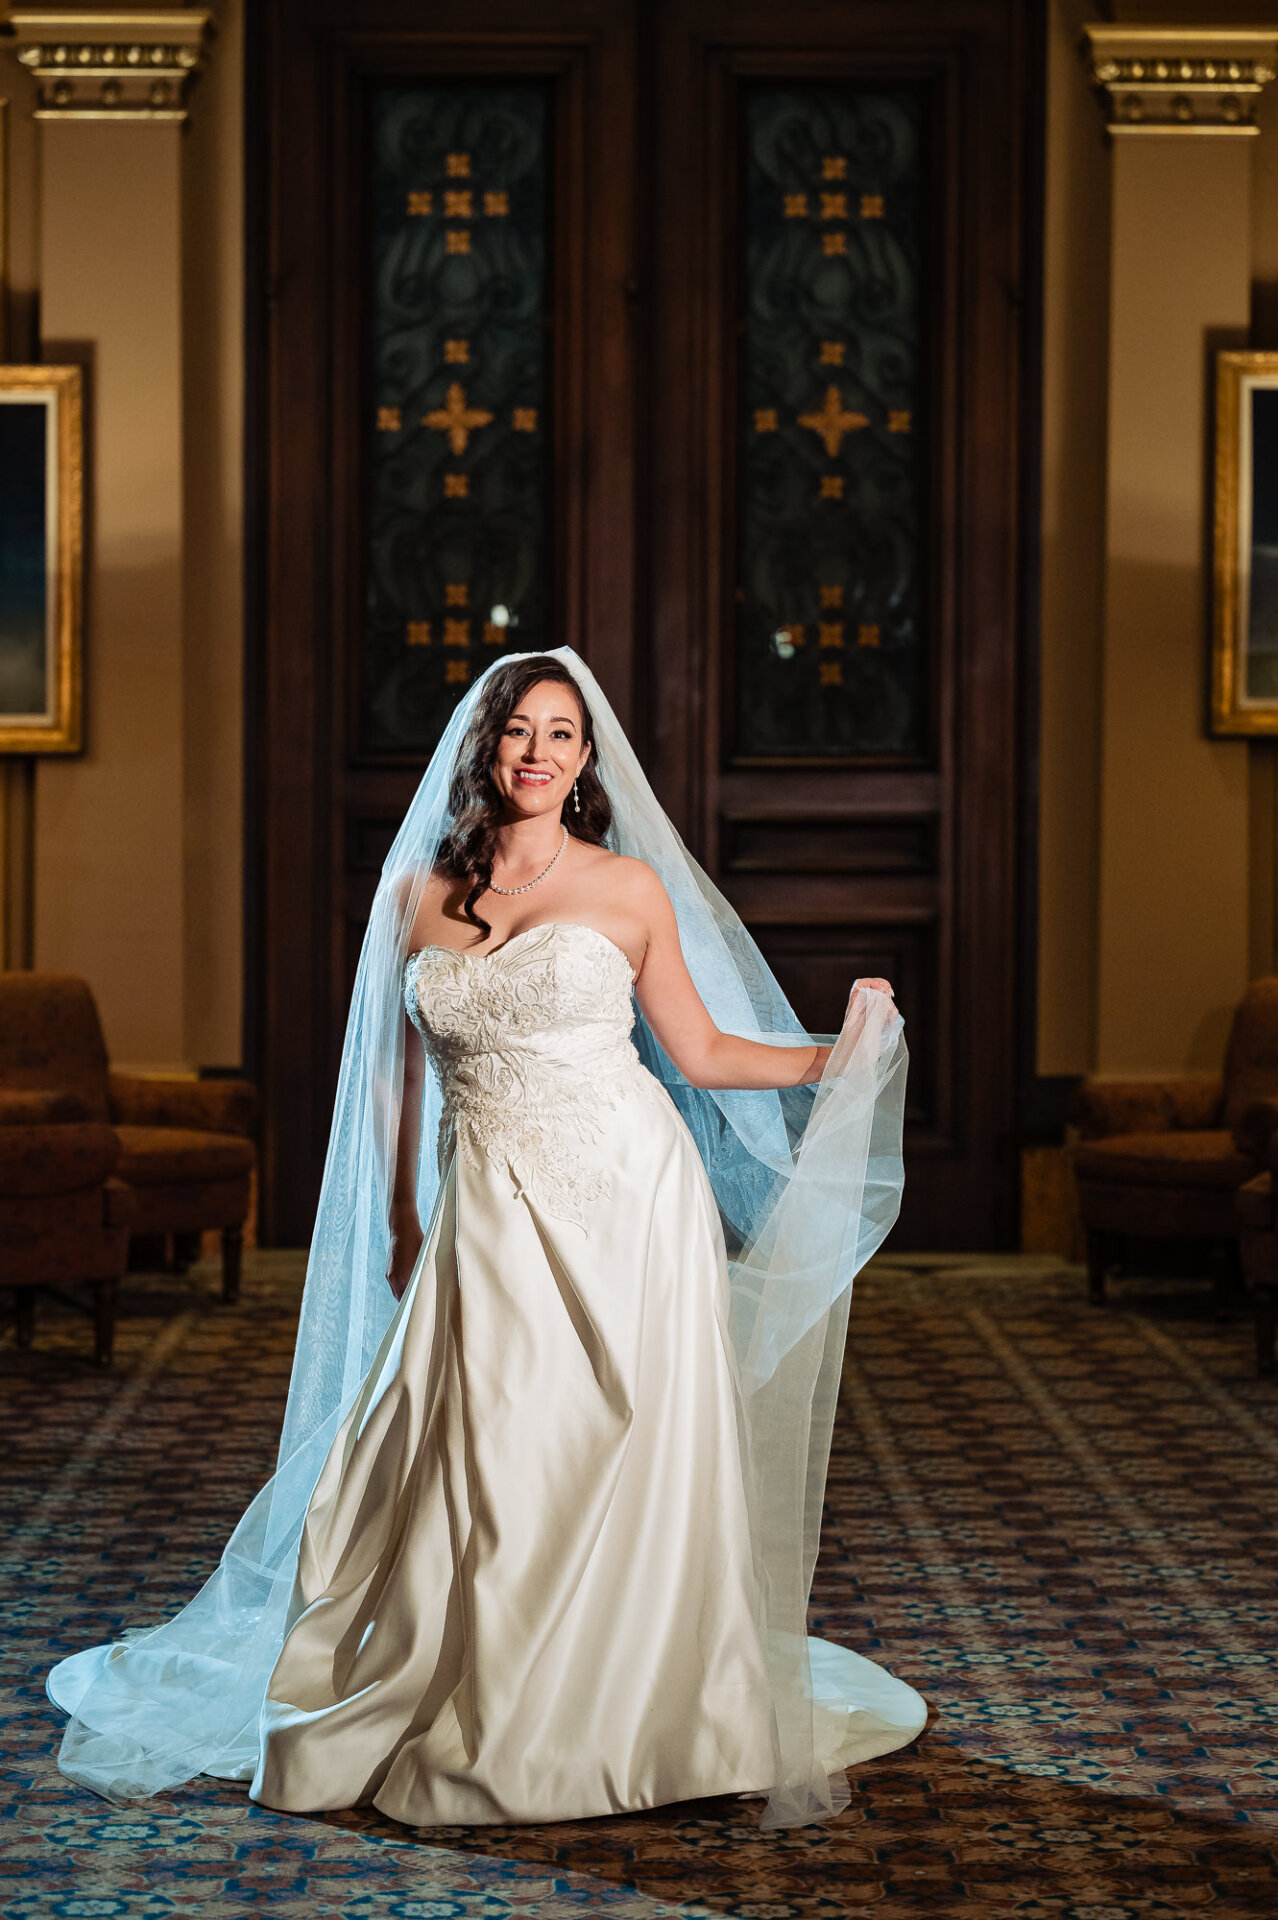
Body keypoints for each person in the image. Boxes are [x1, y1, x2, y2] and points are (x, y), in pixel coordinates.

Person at [47, 648, 926, 1828]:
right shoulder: (417, 893)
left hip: (627, 1192)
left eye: (562, 734)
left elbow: (706, 1055)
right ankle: (479, 1692)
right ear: (486, 748)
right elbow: (392, 1080)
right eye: (520, 731)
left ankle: (636, 1705)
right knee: (487, 1439)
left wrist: (836, 1056)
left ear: (585, 760)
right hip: (485, 1201)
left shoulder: (625, 889)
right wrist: (406, 1215)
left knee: (623, 1435)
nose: (539, 752)